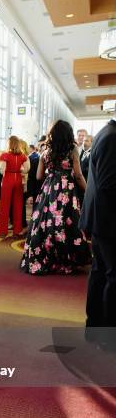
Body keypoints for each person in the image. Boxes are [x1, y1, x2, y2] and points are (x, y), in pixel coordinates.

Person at [20, 120, 91, 275]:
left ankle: (45, 256)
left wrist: (51, 172)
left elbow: (38, 176)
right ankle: (65, 258)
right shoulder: (72, 150)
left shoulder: (46, 151)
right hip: (66, 190)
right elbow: (78, 175)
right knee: (67, 222)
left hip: (49, 189)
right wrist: (89, 190)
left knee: (45, 221)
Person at [79, 116, 116, 333]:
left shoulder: (107, 133)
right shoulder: (112, 137)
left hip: (102, 218)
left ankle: (95, 329)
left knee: (101, 272)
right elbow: (109, 184)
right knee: (111, 275)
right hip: (108, 220)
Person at [0, 135, 29, 237]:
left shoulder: (5, 155)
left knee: (4, 206)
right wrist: (19, 170)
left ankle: (3, 231)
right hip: (18, 179)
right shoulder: (23, 156)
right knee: (18, 205)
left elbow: (2, 170)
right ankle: (17, 230)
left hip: (8, 179)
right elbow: (26, 169)